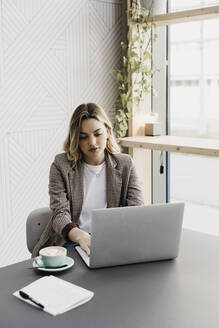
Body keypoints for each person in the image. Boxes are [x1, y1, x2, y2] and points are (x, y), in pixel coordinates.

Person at [32, 103, 144, 257]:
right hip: (71, 242)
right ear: (76, 139)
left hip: (112, 242)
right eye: (83, 137)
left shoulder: (126, 164)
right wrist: (80, 236)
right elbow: (59, 214)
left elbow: (136, 210)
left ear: (108, 132)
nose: (92, 142)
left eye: (97, 134)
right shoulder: (60, 166)